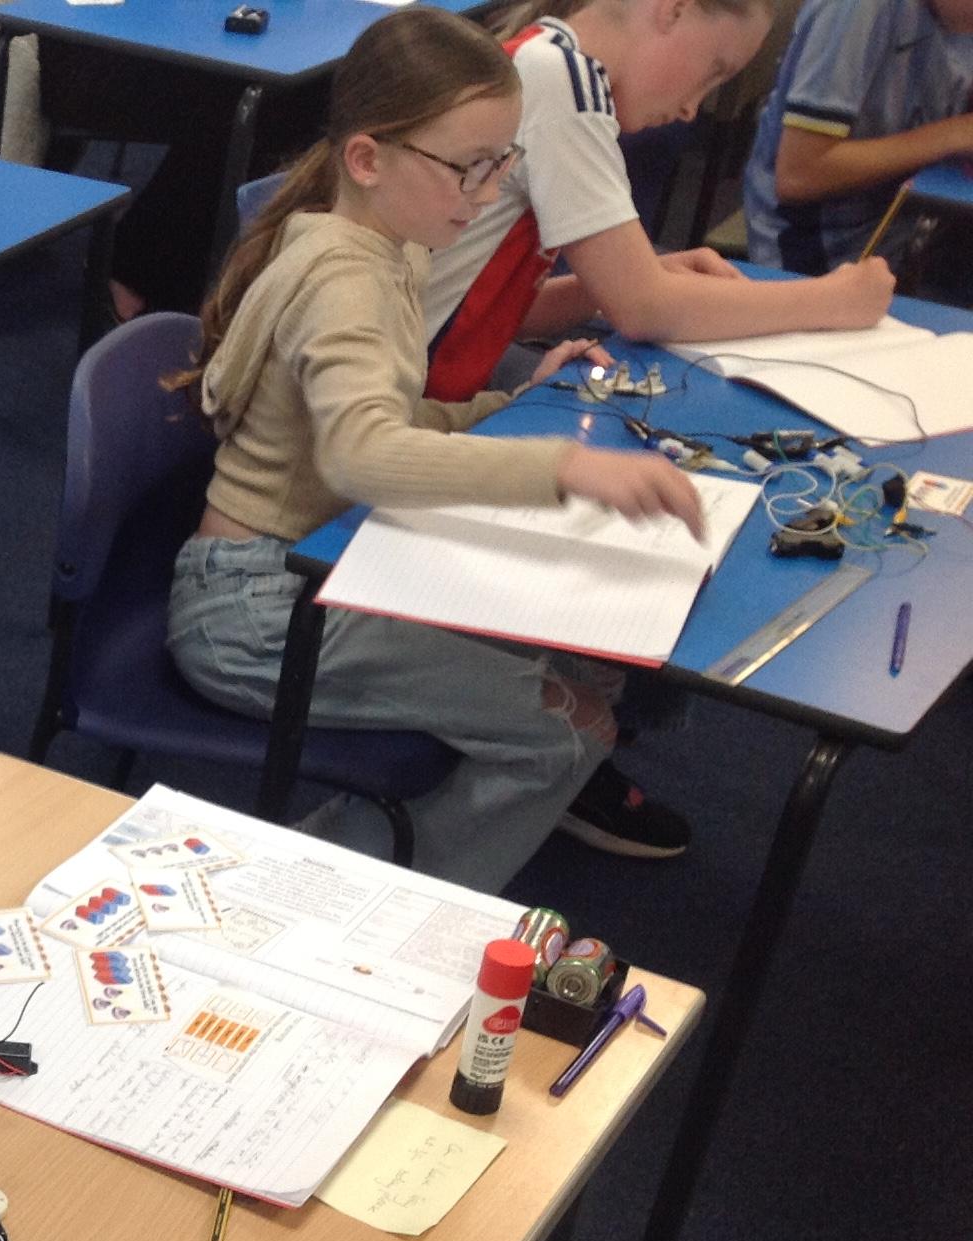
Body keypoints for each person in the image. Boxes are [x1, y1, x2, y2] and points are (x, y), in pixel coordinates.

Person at [166, 7, 711, 893]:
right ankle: (326, 893)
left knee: (580, 662)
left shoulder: (391, 247)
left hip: (311, 570)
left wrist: (514, 408)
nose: (490, 195)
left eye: (503, 164)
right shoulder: (347, 283)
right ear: (367, 160)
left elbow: (392, 417)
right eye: (470, 169)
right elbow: (362, 456)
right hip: (258, 615)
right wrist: (564, 466)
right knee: (567, 731)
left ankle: (362, 867)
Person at [422, 0, 898, 406]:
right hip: (403, 411)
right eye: (714, 70)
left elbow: (484, 306)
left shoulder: (540, 55)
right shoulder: (560, 78)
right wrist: (835, 300)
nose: (693, 109)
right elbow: (644, 308)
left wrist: (604, 285)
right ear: (673, 9)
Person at [741, 0, 973, 270]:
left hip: (916, 230)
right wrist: (949, 135)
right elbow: (798, 175)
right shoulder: (854, 10)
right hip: (821, 249)